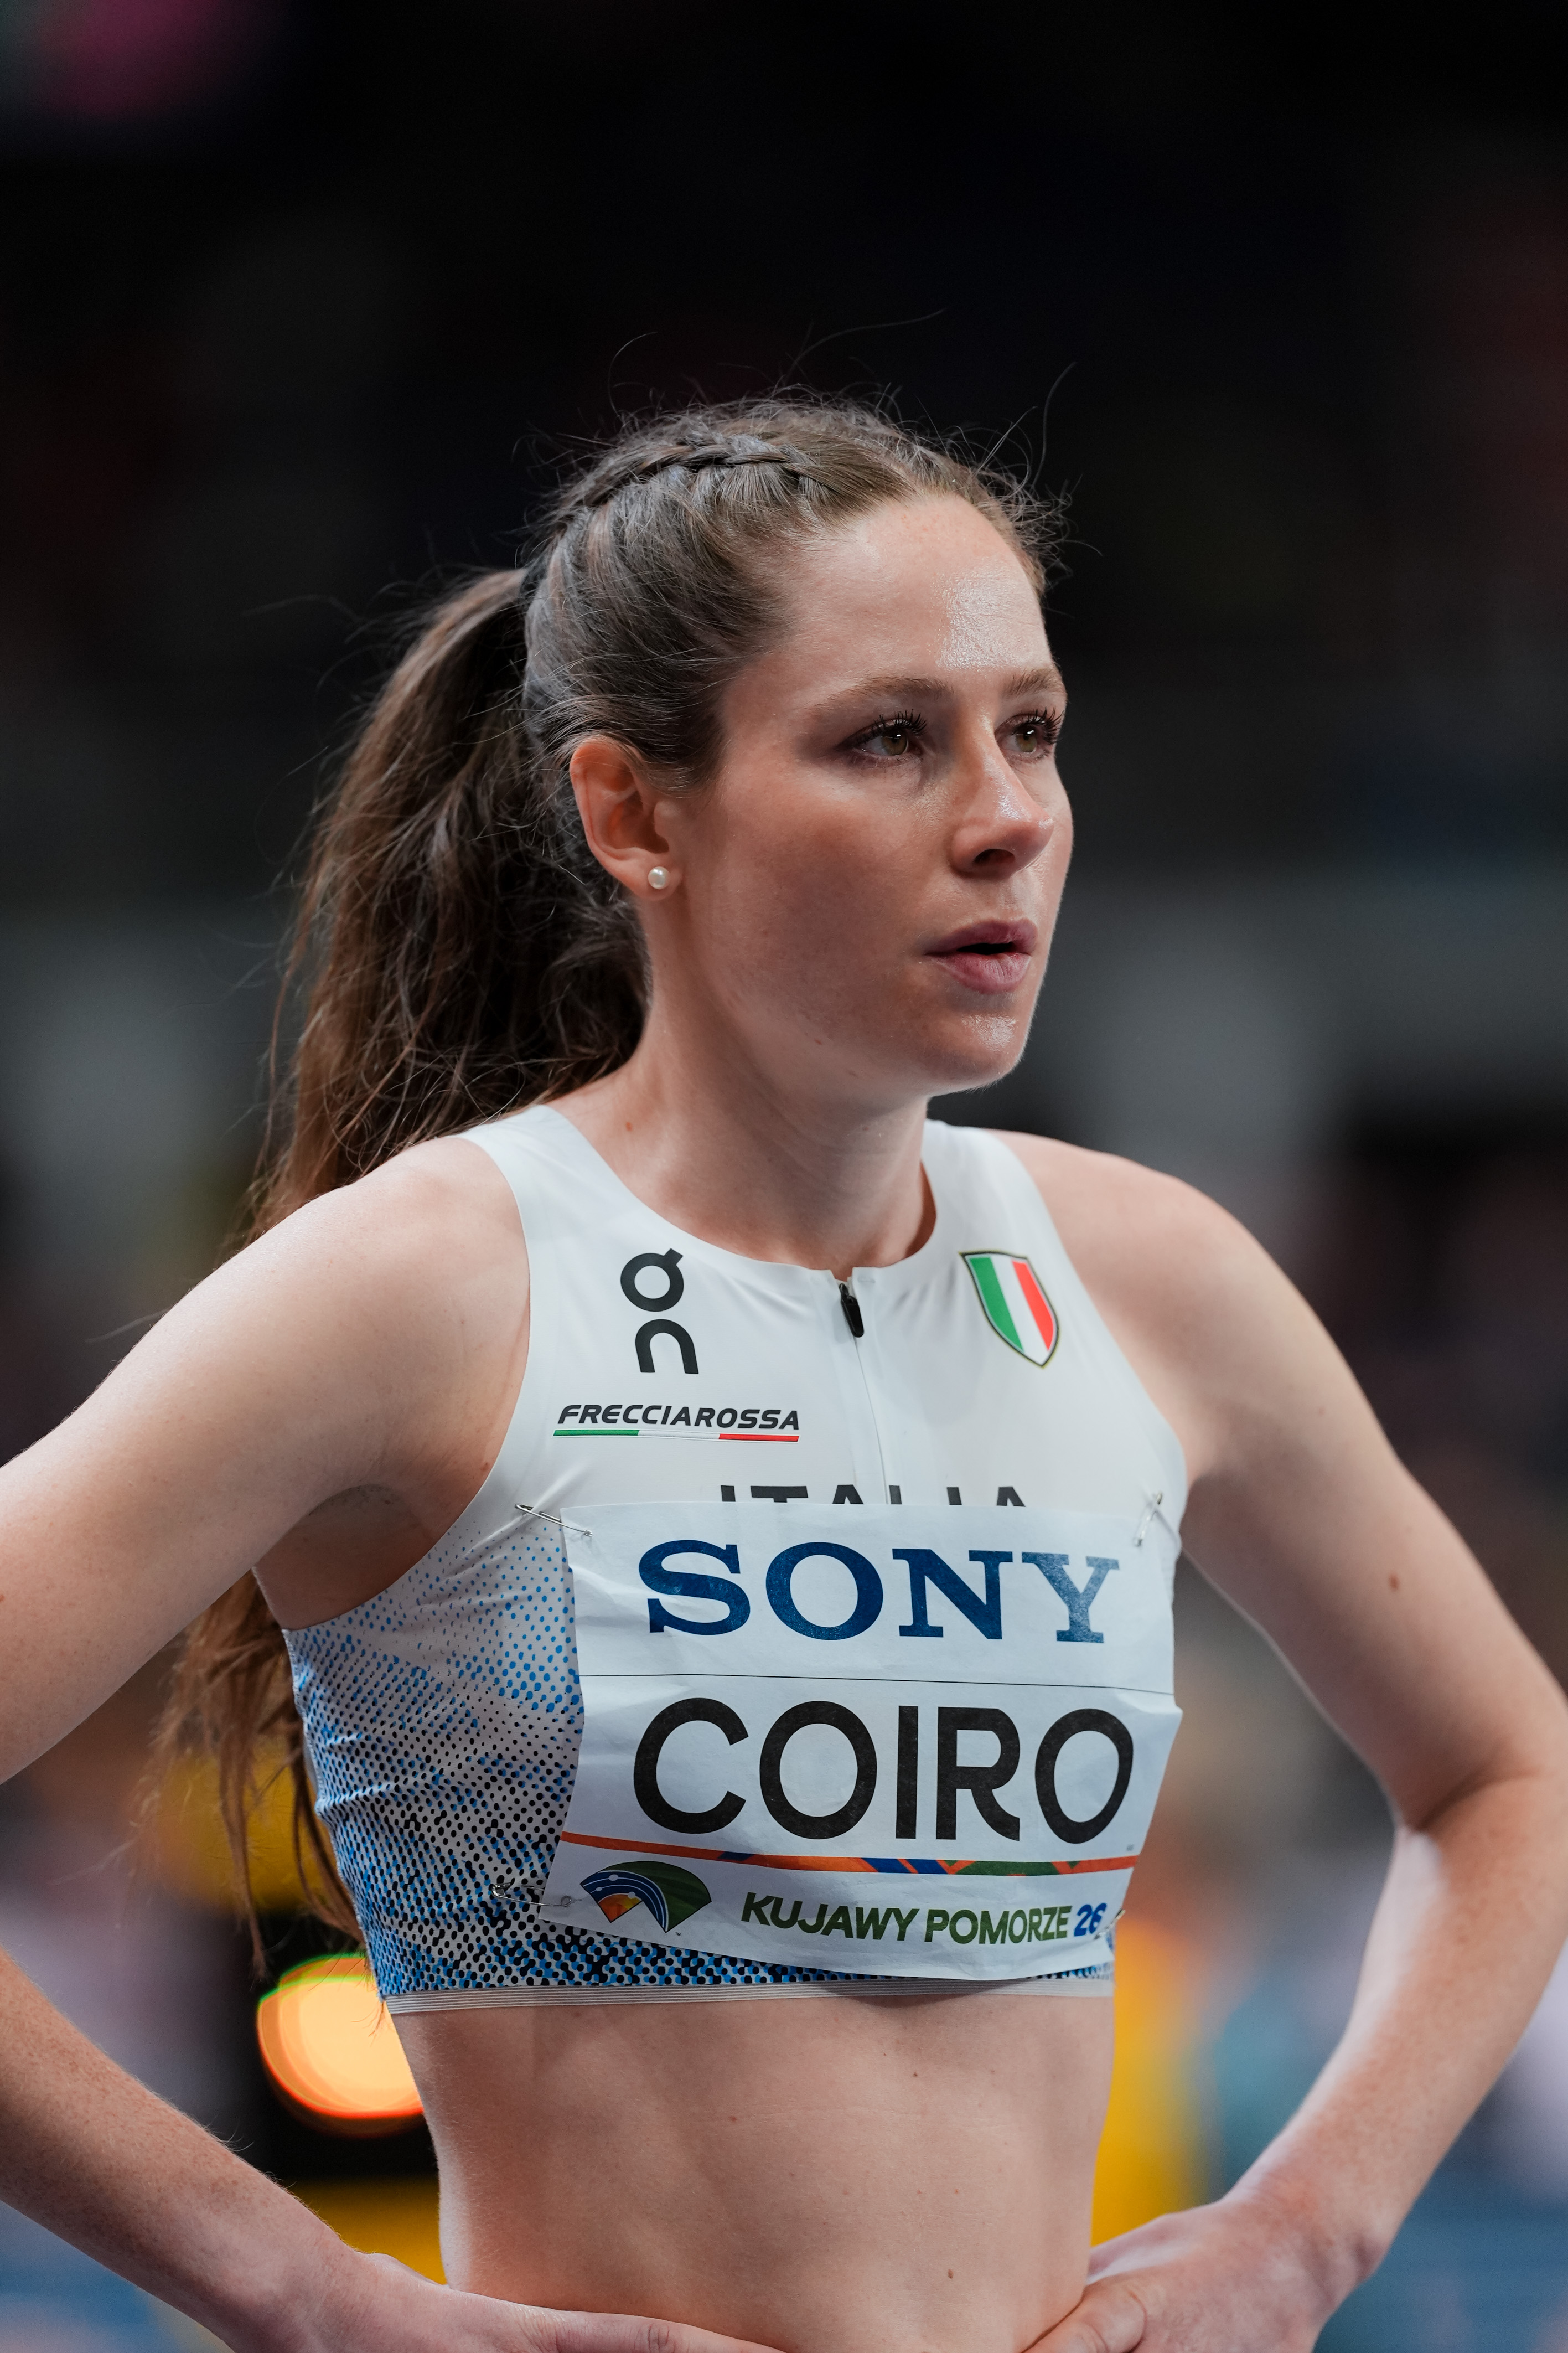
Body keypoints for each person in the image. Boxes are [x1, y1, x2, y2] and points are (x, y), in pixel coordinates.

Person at [1, 399, 1564, 2353]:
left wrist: (1306, 2229)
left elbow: (1508, 1770)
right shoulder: (424, 1285)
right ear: (633, 813)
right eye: (887, 738)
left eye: (1030, 729)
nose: (1005, 815)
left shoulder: (1151, 1278)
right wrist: (301, 2291)